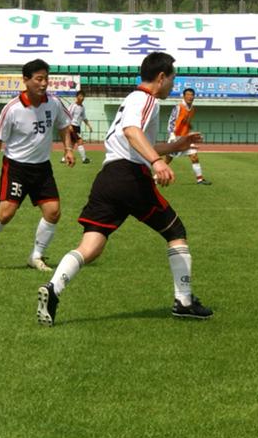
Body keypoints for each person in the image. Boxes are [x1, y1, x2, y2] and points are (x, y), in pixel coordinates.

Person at [37, 51, 212, 326]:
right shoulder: (146, 98)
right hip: (130, 176)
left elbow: (137, 140)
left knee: (91, 245)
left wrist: (174, 146)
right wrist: (157, 162)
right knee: (175, 231)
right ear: (161, 77)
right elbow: (132, 133)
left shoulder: (133, 100)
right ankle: (184, 300)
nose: (173, 85)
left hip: (107, 177)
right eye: (172, 78)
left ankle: (53, 288)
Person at [0, 59, 76, 272]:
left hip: (42, 168)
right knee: (6, 213)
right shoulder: (12, 108)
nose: (44, 83)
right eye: (39, 79)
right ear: (26, 80)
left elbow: (64, 127)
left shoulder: (54, 103)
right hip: (16, 168)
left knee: (53, 211)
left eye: (46, 79)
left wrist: (68, 149)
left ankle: (36, 256)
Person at [164, 87, 210, 185]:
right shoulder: (178, 107)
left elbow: (186, 122)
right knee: (168, 159)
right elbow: (171, 121)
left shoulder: (192, 109)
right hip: (176, 137)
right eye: (188, 95)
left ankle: (200, 179)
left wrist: (190, 127)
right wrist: (171, 135)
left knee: (194, 156)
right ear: (184, 96)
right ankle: (155, 177)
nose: (190, 97)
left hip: (186, 137)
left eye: (192, 95)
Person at [69, 89, 93, 164]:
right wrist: (69, 126)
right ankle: (84, 159)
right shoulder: (73, 106)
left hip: (77, 127)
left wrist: (89, 125)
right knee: (80, 141)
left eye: (83, 96)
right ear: (77, 97)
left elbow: (84, 118)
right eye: (80, 96)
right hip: (72, 126)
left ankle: (64, 158)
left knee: (72, 143)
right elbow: (67, 116)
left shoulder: (82, 107)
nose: (82, 98)